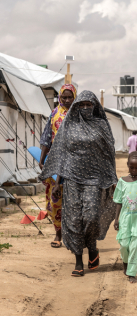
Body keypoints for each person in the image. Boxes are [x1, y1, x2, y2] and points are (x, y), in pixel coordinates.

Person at [39, 91, 118, 277]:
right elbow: (61, 154)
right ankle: (78, 261)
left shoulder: (101, 125)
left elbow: (108, 155)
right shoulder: (68, 125)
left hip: (94, 179)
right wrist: (58, 182)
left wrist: (112, 179)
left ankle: (92, 248)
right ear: (76, 107)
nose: (84, 108)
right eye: (81, 105)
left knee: (91, 216)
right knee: (74, 218)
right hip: (72, 178)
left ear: (95, 106)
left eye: (88, 105)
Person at [39, 84, 77, 248]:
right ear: (60, 98)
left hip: (75, 162)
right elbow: (47, 138)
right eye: (64, 97)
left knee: (75, 200)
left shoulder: (79, 114)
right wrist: (42, 159)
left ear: (74, 97)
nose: (67, 100)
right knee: (55, 200)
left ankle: (74, 235)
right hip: (55, 162)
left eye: (70, 97)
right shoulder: (54, 114)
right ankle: (58, 234)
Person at [113, 151, 137, 284]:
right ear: (128, 165)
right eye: (131, 167)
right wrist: (116, 218)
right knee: (124, 244)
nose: (134, 170)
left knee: (136, 246)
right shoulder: (122, 182)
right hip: (125, 218)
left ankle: (132, 273)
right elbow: (118, 201)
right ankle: (125, 262)